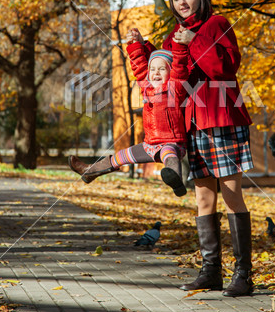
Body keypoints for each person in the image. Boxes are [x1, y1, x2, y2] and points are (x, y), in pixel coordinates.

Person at [131, 0, 254, 297]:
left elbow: (226, 69)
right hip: (191, 124)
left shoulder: (217, 23)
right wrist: (142, 46)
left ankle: (243, 275)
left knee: (231, 194)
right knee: (202, 198)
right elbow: (168, 68)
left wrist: (192, 42)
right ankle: (211, 271)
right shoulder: (176, 33)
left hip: (222, 118)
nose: (182, 1)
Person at [68, 38, 189, 197]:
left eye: (161, 69)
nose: (156, 73)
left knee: (169, 155)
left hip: (171, 143)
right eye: (152, 69)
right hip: (149, 145)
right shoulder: (147, 88)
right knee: (120, 156)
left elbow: (180, 67)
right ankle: (90, 172)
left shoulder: (175, 88)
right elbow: (139, 68)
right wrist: (134, 45)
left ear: (171, 71)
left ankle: (176, 180)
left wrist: (180, 45)